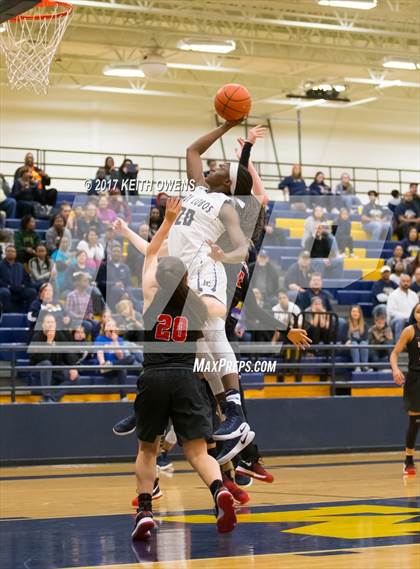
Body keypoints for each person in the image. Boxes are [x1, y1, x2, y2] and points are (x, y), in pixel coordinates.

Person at [132, 196, 237, 539]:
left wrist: (168, 221)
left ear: (160, 279)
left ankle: (145, 510)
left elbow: (150, 252)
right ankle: (220, 491)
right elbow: (221, 311)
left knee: (148, 449)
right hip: (188, 379)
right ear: (186, 280)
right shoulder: (199, 304)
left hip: (155, 376)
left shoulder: (151, 294)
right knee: (196, 451)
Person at [390, 302, 420, 476]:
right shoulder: (410, 331)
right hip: (415, 379)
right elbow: (394, 353)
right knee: (415, 420)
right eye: (418, 312)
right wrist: (395, 369)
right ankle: (408, 459)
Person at [30, 313, 79, 402]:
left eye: (52, 322)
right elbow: (41, 359)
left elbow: (68, 353)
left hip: (55, 370)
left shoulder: (59, 335)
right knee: (46, 363)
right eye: (48, 322)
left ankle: (52, 398)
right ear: (43, 325)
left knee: (74, 376)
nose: (51, 324)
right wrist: (49, 341)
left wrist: (73, 367)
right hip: (39, 370)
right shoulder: (37, 337)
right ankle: (46, 397)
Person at [95, 318, 135, 401]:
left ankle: (123, 398)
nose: (110, 327)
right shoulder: (100, 338)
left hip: (114, 366)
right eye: (108, 325)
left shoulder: (119, 340)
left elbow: (120, 357)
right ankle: (123, 397)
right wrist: (103, 363)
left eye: (113, 325)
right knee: (122, 368)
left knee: (131, 358)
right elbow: (100, 352)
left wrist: (115, 341)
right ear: (105, 328)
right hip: (104, 368)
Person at [0, 245, 37, 312]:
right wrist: (8, 286)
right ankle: (7, 315)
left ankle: (29, 315)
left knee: (32, 292)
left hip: (19, 290)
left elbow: (27, 279)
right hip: (6, 289)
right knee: (5, 292)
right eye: (8, 251)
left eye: (13, 251)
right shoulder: (1, 265)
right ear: (5, 253)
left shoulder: (20, 266)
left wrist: (23, 286)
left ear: (16, 254)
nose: (10, 252)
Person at [387, 273, 419, 339]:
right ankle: (399, 344)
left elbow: (417, 309)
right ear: (400, 282)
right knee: (401, 320)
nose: (406, 283)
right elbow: (391, 312)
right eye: (403, 281)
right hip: (395, 321)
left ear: (410, 282)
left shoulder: (414, 295)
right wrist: (406, 316)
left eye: (408, 281)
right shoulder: (393, 294)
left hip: (411, 320)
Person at [66, 272, 98, 338]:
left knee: (97, 324)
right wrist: (79, 316)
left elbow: (90, 310)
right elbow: (68, 311)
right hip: (74, 320)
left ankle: (94, 344)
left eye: (87, 280)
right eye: (85, 281)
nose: (87, 282)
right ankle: (81, 343)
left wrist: (90, 315)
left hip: (86, 319)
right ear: (78, 282)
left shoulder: (88, 296)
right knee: (88, 325)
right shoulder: (71, 295)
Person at [346, 304, 369, 372]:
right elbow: (343, 337)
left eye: (357, 311)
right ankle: (357, 367)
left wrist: (352, 339)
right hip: (350, 347)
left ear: (360, 313)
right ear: (350, 313)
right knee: (354, 343)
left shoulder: (365, 324)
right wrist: (352, 340)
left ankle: (365, 366)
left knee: (363, 343)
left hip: (361, 345)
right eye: (353, 311)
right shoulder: (346, 324)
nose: (355, 313)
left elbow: (365, 337)